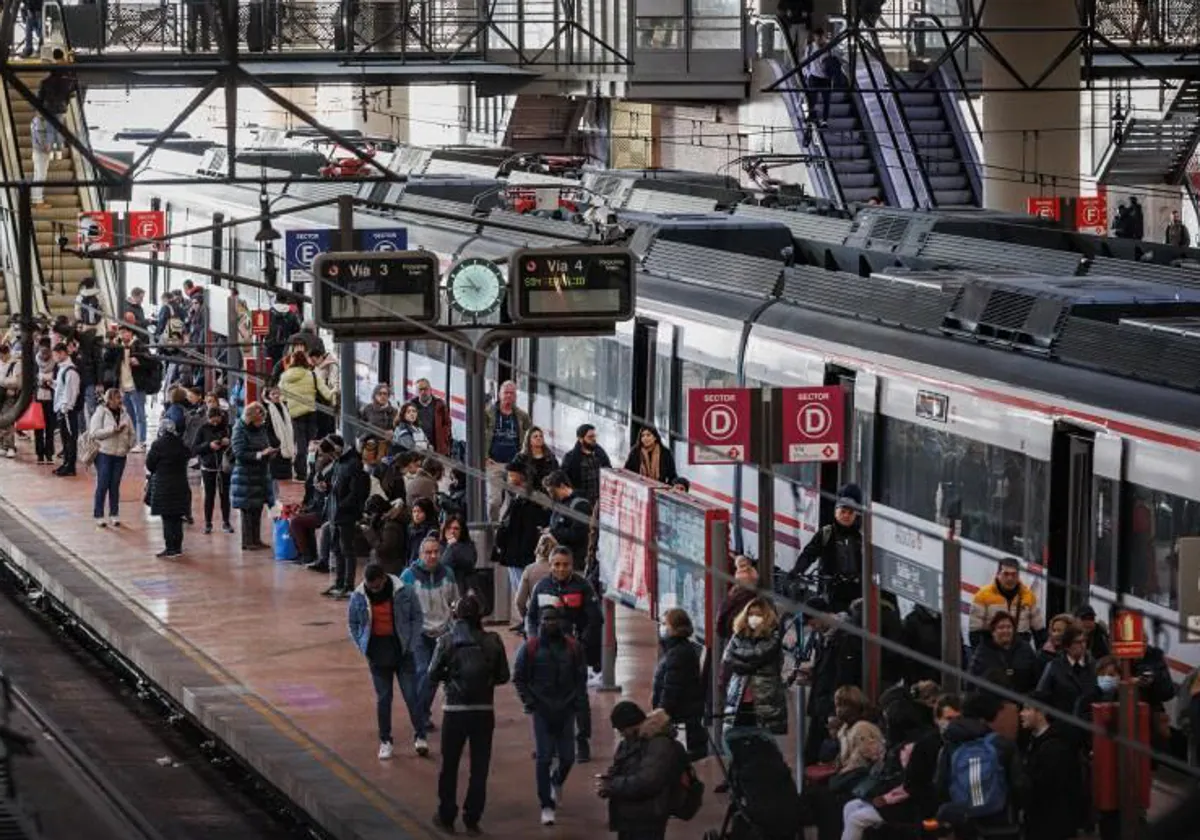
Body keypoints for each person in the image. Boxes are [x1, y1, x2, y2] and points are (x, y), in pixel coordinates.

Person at [428, 594, 511, 836]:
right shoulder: (493, 640)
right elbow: (504, 676)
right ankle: (472, 818)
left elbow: (432, 674)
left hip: (454, 711)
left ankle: (446, 815)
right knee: (479, 767)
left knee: (449, 765)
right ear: (480, 615)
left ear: (455, 615)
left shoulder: (446, 641)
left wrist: (451, 678)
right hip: (484, 712)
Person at [525, 546, 604, 763]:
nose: (561, 569)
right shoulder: (542, 587)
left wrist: (581, 644)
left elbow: (595, 619)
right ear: (550, 565)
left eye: (565, 564)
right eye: (556, 564)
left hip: (573, 652)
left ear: (572, 565)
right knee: (546, 698)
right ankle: (548, 744)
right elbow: (531, 617)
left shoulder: (582, 586)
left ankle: (582, 742)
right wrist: (533, 640)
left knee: (578, 697)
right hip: (546, 653)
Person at [513, 605, 588, 826]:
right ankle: (546, 804)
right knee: (544, 757)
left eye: (554, 620)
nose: (550, 624)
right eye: (546, 620)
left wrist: (578, 704)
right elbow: (518, 678)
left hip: (566, 709)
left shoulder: (574, 648)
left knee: (568, 758)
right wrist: (530, 702)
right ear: (540, 622)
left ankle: (557, 781)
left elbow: (580, 678)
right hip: (542, 710)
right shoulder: (530, 648)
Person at [347, 562, 425, 761]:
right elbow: (353, 623)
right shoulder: (358, 596)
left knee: (411, 695)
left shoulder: (404, 592)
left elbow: (416, 616)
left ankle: (420, 735)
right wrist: (361, 645)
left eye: (376, 586)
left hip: (402, 650)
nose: (373, 590)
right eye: (369, 586)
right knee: (383, 699)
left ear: (384, 578)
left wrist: (412, 642)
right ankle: (385, 740)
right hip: (376, 652)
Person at [934, 690, 1026, 835]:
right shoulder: (1003, 745)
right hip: (1000, 823)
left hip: (964, 824)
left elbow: (940, 785)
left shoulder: (950, 746)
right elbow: (1019, 785)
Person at [400, 536, 458, 751]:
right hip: (420, 634)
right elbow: (401, 606)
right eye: (428, 552)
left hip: (443, 633)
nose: (433, 556)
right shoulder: (408, 576)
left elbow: (455, 601)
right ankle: (420, 720)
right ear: (420, 554)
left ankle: (421, 714)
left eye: (436, 552)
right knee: (424, 672)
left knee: (434, 678)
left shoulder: (448, 574)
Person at [596, 701, 680, 840]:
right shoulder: (630, 741)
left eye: (622, 729)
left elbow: (649, 780)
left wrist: (613, 784)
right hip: (631, 815)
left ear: (632, 725)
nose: (621, 734)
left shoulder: (659, 743)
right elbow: (620, 765)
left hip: (649, 816)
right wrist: (609, 781)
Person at [788, 483, 864, 613]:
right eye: (843, 511)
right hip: (833, 591)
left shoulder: (862, 537)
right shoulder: (826, 533)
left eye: (850, 513)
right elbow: (809, 554)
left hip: (857, 592)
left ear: (856, 515)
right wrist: (797, 570)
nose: (846, 516)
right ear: (835, 512)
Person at [1021, 689, 1084, 840]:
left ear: (1041, 712)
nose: (1021, 713)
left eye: (1027, 709)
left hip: (1052, 826)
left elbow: (1049, 788)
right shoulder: (1035, 740)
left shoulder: (1055, 747)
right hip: (1039, 821)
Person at [722, 597, 787, 742]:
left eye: (758, 615)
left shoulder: (773, 637)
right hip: (739, 696)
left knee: (761, 742)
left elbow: (759, 655)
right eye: (750, 614)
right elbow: (727, 658)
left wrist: (741, 661)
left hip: (764, 698)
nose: (753, 618)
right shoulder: (738, 635)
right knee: (737, 740)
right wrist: (746, 664)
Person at [493, 460, 549, 623]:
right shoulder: (516, 495)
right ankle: (525, 620)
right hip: (514, 551)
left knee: (523, 588)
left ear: (521, 476)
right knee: (518, 586)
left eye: (511, 475)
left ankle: (529, 620)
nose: (509, 478)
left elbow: (528, 528)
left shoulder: (531, 499)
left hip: (521, 552)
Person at [652, 607, 705, 759]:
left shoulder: (678, 653)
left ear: (675, 628)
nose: (662, 628)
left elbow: (671, 688)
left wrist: (660, 712)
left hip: (680, 716)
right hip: (683, 714)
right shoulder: (677, 649)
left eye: (665, 624)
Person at [968, 557, 1045, 648]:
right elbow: (975, 632)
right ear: (998, 574)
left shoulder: (1028, 596)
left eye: (1014, 574)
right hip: (992, 648)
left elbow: (1039, 631)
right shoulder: (982, 596)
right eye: (1006, 574)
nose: (1010, 578)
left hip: (1019, 649)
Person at [279, 350, 331, 482]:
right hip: (310, 412)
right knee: (311, 443)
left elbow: (282, 395)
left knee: (300, 443)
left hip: (295, 414)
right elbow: (326, 393)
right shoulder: (312, 375)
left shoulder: (285, 376)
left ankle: (301, 472)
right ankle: (312, 470)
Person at [327, 435, 369, 598]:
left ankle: (348, 584)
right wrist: (327, 487)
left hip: (346, 514)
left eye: (331, 453)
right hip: (336, 512)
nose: (331, 457)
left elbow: (355, 492)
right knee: (337, 548)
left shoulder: (353, 463)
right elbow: (337, 485)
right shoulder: (339, 462)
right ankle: (339, 582)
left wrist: (343, 505)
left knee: (347, 549)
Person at [230, 402, 276, 551]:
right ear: (251, 417)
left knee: (257, 509)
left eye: (262, 420)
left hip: (260, 474)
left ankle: (256, 539)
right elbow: (239, 453)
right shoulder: (239, 429)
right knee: (247, 511)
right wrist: (259, 455)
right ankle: (248, 541)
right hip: (245, 476)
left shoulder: (261, 428)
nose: (261, 423)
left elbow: (265, 444)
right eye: (258, 420)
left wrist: (269, 452)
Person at [484, 380, 531, 522]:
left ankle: (507, 530)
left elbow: (530, 436)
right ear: (499, 394)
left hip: (515, 466)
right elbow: (477, 435)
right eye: (506, 393)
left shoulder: (522, 416)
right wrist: (484, 456)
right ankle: (493, 529)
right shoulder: (488, 413)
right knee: (494, 501)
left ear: (516, 396)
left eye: (512, 393)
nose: (509, 396)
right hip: (495, 464)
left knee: (516, 501)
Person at [88, 388, 135, 527]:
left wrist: (129, 445)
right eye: (116, 398)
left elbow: (132, 432)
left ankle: (114, 514)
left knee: (115, 485)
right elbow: (94, 433)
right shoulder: (100, 413)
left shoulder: (125, 414)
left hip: (120, 455)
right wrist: (112, 430)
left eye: (120, 398)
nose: (120, 401)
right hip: (104, 454)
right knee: (103, 483)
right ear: (109, 400)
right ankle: (99, 514)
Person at [146, 419, 192, 558]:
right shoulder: (181, 444)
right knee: (177, 517)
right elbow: (188, 456)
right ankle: (178, 547)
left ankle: (170, 548)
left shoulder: (157, 445)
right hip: (180, 485)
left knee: (167, 518)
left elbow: (150, 465)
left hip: (163, 486)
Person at [968, 612, 1041, 695]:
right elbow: (972, 682)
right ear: (993, 632)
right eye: (1001, 627)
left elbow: (1036, 679)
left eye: (1009, 627)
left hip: (1022, 702)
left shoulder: (1025, 649)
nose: (1005, 630)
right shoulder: (983, 651)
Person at [1035, 624, 1094, 717]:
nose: (1082, 646)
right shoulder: (1053, 666)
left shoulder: (1093, 666)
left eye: (1084, 641)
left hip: (1088, 723)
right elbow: (1042, 695)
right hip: (1062, 722)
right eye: (1077, 642)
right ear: (1067, 646)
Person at [192, 405, 234, 534]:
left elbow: (236, 445)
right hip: (208, 467)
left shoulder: (227, 428)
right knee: (209, 496)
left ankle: (226, 522)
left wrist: (229, 442)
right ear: (208, 418)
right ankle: (208, 523)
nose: (215, 423)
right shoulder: (202, 429)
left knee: (225, 495)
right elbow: (194, 448)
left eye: (217, 420)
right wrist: (208, 445)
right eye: (212, 420)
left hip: (224, 467)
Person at [542, 470, 592, 570]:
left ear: (562, 486)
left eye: (552, 491)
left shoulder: (580, 505)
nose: (551, 495)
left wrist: (553, 532)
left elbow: (578, 534)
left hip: (575, 562)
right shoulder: (560, 504)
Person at [560, 424, 612, 505]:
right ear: (580, 439)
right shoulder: (570, 458)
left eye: (594, 436)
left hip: (600, 503)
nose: (594, 439)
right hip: (581, 503)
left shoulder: (600, 454)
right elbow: (565, 482)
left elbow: (609, 473)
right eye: (590, 437)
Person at [515, 533, 557, 628]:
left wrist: (526, 616)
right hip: (557, 617)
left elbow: (519, 601)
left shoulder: (529, 569)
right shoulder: (559, 570)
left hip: (536, 618)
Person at [51, 342, 80, 477]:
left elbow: (72, 391)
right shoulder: (62, 369)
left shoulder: (70, 371)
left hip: (67, 411)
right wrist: (53, 385)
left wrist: (66, 407)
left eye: (56, 354)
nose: (55, 357)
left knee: (70, 439)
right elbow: (62, 388)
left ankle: (70, 466)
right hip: (62, 409)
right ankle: (66, 463)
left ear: (63, 353)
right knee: (65, 439)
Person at [262, 385, 296, 497]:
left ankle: (284, 500)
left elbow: (289, 426)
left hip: (285, 446)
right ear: (268, 396)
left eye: (278, 393)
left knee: (285, 476)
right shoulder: (266, 409)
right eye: (273, 394)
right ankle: (275, 499)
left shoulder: (283, 407)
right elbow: (266, 429)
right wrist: (275, 443)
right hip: (275, 447)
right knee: (274, 475)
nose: (277, 396)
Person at [439, 514, 478, 595]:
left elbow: (469, 563)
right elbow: (442, 566)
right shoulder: (438, 547)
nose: (452, 531)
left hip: (462, 590)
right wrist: (449, 547)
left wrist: (452, 546)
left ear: (462, 531)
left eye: (456, 528)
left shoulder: (468, 546)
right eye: (449, 528)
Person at [411, 378, 451, 455]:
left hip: (437, 447)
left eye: (425, 389)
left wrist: (443, 437)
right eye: (420, 389)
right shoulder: (412, 405)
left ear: (430, 389)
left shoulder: (440, 404)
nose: (423, 392)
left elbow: (447, 423)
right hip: (418, 448)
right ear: (417, 391)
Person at [33, 337, 55, 465]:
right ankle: (40, 454)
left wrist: (50, 384)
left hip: (51, 398)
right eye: (42, 352)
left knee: (50, 427)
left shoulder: (55, 363)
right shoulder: (35, 361)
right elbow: (31, 378)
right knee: (38, 427)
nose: (44, 355)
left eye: (47, 352)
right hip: (38, 398)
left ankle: (49, 454)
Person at [516, 426, 559, 493]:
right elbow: (514, 479)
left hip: (548, 495)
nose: (539, 438)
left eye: (541, 436)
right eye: (535, 436)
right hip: (527, 495)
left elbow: (557, 475)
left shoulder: (550, 457)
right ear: (529, 440)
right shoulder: (521, 457)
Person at [0, 343, 20, 459]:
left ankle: (11, 446)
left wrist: (3, 382)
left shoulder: (15, 364)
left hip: (9, 396)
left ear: (7, 353)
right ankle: (2, 445)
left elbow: (16, 382)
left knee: (8, 420)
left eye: (2, 356)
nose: (1, 358)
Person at [30, 111, 53, 211]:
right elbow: (40, 137)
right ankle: (38, 202)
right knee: (40, 176)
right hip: (41, 153)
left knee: (38, 176)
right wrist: (47, 147)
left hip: (38, 152)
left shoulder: (35, 121)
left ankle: (37, 200)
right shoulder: (39, 121)